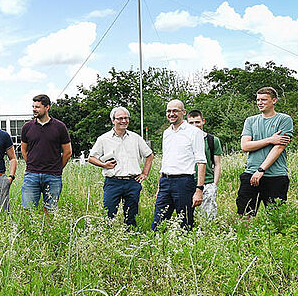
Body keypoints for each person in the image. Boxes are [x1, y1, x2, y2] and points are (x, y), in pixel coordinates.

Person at [88, 106, 153, 227]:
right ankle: (107, 237)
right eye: (120, 118)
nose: (123, 121)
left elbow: (149, 155)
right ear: (113, 120)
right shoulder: (103, 139)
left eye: (126, 118)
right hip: (113, 182)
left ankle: (131, 237)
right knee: (109, 213)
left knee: (131, 215)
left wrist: (145, 173)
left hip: (132, 182)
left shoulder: (136, 138)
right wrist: (103, 164)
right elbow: (91, 158)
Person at [236, 87, 293, 216]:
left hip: (276, 175)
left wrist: (261, 170)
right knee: (245, 214)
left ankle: (275, 237)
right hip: (250, 174)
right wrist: (270, 140)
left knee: (276, 216)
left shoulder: (284, 120)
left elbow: (278, 147)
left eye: (264, 100)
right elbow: (245, 146)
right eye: (258, 100)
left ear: (274, 100)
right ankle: (246, 236)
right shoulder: (250, 121)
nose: (259, 103)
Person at [151, 99, 206, 231]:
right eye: (169, 111)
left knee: (185, 223)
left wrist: (199, 189)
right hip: (165, 181)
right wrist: (159, 186)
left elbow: (201, 162)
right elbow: (166, 160)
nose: (171, 114)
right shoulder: (167, 133)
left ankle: (187, 249)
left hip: (184, 182)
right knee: (158, 223)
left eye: (175, 111)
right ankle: (158, 248)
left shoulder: (194, 132)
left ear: (183, 112)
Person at [20, 94, 72, 212]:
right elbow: (23, 149)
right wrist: (31, 164)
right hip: (31, 175)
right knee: (28, 210)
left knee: (50, 210)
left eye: (37, 107)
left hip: (53, 176)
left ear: (47, 107)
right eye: (33, 106)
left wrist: (57, 168)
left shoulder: (60, 127)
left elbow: (68, 152)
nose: (34, 109)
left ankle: (48, 230)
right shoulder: (27, 127)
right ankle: (31, 230)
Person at [186, 110, 222, 219]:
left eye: (197, 122)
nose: (195, 125)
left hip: (208, 182)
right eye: (191, 123)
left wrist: (214, 184)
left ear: (203, 121)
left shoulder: (212, 140)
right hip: (188, 181)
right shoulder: (184, 140)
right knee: (188, 215)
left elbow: (217, 164)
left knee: (208, 215)